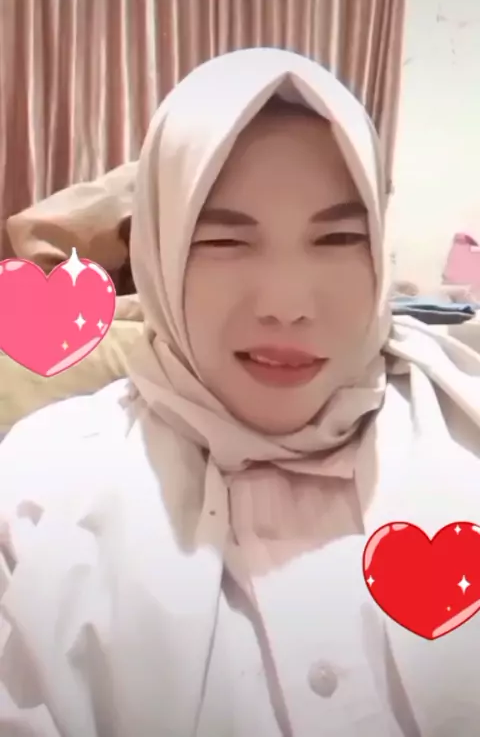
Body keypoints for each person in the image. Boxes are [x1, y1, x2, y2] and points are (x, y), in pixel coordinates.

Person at [0, 48, 480, 737]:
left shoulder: (463, 431)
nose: (287, 305)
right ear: (159, 253)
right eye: (226, 242)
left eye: (338, 238)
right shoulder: (37, 493)